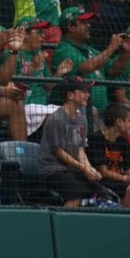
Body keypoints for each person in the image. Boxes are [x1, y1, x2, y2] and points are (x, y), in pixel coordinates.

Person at [39, 77, 103, 208]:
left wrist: (89, 169)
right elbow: (59, 152)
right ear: (70, 95)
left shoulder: (82, 119)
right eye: (84, 91)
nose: (88, 95)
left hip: (72, 169)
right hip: (53, 170)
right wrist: (83, 168)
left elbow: (80, 149)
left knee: (99, 191)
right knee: (76, 194)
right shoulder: (57, 119)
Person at [50, 7, 127, 113]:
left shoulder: (91, 50)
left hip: (99, 115)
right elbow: (87, 67)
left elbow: (114, 70)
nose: (89, 25)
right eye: (83, 22)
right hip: (74, 114)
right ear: (71, 27)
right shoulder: (63, 49)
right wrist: (111, 48)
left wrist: (125, 52)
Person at [87, 102, 130, 208]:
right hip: (103, 183)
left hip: (122, 182)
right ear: (119, 121)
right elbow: (103, 172)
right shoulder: (96, 139)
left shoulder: (123, 141)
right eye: (129, 121)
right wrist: (126, 179)